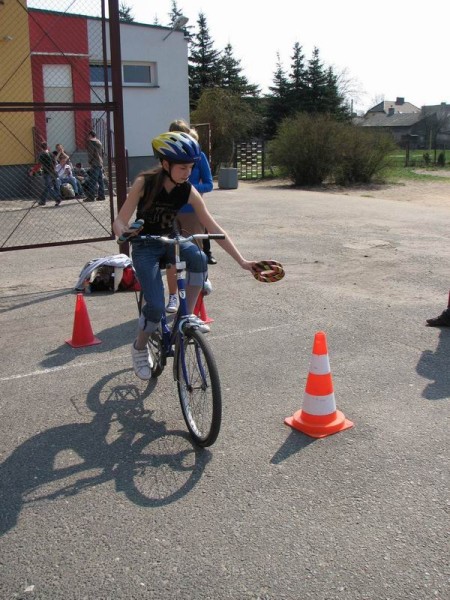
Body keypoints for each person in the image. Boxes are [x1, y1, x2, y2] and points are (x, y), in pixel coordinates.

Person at [113, 131, 256, 381]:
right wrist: (124, 232)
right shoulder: (144, 183)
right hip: (145, 246)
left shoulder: (188, 190)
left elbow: (213, 227)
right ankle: (139, 347)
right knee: (156, 307)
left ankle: (185, 318)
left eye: (191, 167)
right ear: (165, 164)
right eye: (182, 167)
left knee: (199, 258)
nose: (187, 172)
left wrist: (242, 261)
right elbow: (120, 221)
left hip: (171, 241)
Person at [165, 120, 215, 313]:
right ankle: (172, 296)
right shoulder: (166, 159)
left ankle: (202, 279)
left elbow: (209, 184)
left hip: (192, 212)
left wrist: (190, 190)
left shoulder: (198, 156)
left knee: (196, 252)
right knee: (171, 255)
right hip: (170, 212)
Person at [37, 141, 62, 206]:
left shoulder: (41, 154)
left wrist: (33, 171)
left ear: (41, 147)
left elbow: (39, 164)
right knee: (55, 185)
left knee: (48, 186)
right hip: (53, 172)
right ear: (47, 147)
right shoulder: (51, 154)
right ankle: (43, 201)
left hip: (46, 172)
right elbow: (54, 163)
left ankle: (57, 198)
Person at [84, 130, 105, 201]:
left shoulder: (91, 142)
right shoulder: (99, 142)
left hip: (94, 163)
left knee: (92, 181)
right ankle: (101, 196)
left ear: (90, 135)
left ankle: (91, 197)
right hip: (100, 163)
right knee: (100, 181)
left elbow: (91, 153)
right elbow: (102, 152)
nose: (87, 137)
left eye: (88, 136)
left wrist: (90, 162)